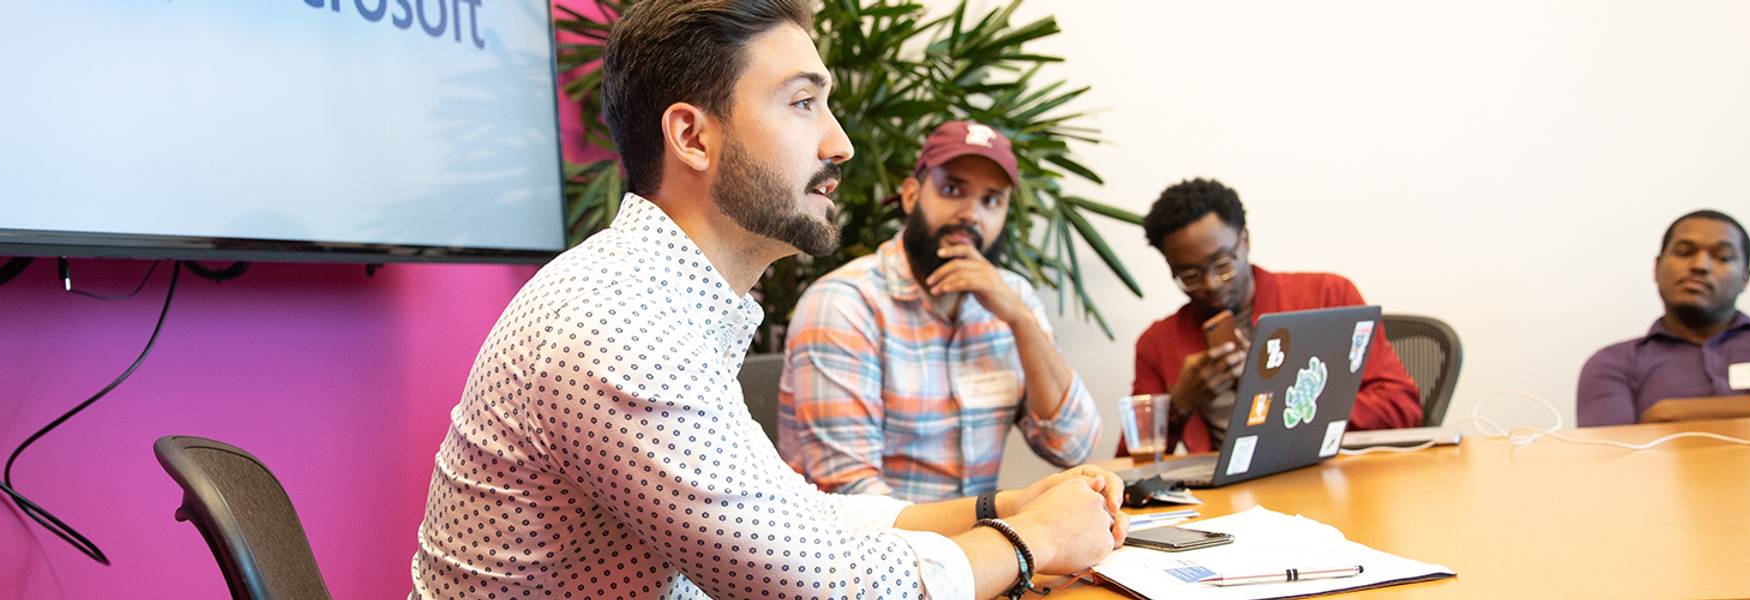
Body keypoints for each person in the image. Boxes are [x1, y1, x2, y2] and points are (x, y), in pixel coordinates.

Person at [410, 2, 1124, 598]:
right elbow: (825, 589)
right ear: (692, 135)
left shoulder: (663, 299)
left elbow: (796, 523)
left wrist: (1003, 507)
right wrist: (1035, 539)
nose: (839, 144)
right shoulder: (618, 325)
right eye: (804, 103)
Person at [778, 120, 1100, 503]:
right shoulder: (845, 304)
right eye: (952, 190)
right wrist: (993, 533)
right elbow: (853, 497)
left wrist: (1021, 322)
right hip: (871, 554)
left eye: (991, 200)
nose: (971, 214)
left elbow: (1074, 448)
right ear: (912, 196)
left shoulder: (1012, 298)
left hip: (977, 547)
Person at [1126, 178, 1423, 456]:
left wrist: (1282, 398)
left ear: (1245, 240)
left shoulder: (1328, 297)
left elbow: (1401, 407)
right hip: (1224, 496)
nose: (1211, 283)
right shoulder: (1157, 343)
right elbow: (1128, 465)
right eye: (1188, 275)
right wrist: (1178, 404)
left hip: (1324, 475)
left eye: (1222, 263)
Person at [1575, 209, 1750, 426]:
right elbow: (1609, 449)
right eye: (1684, 252)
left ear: (1745, 279)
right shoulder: (1613, 363)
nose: (1700, 265)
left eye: (1723, 257)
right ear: (1657, 267)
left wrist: (1669, 412)